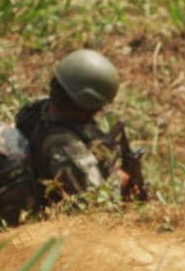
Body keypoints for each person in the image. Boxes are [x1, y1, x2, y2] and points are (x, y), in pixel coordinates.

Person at [13, 48, 129, 209]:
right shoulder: (66, 148)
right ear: (86, 104)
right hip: (46, 220)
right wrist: (118, 179)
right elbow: (96, 202)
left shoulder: (35, 109)